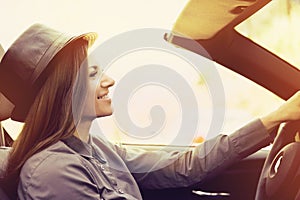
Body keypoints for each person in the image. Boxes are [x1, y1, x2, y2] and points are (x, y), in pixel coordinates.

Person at [1, 24, 300, 200]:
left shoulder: (95, 148)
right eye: (92, 74)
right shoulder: (51, 172)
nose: (109, 80)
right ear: (62, 93)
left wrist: (275, 117)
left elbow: (183, 166)